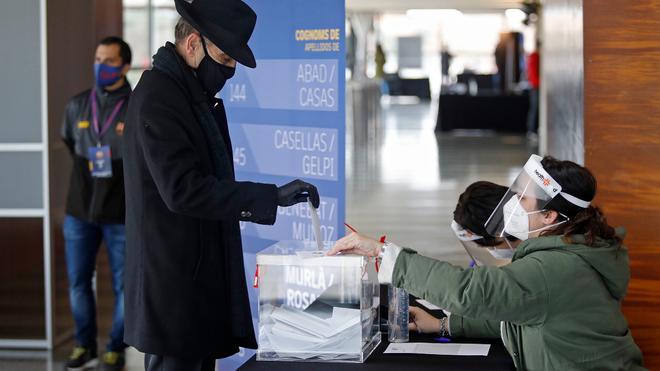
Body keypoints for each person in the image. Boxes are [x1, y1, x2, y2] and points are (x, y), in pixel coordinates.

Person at [122, 1, 320, 370]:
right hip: (173, 287)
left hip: (192, 281)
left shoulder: (186, 94)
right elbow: (183, 190)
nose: (229, 71)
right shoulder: (160, 98)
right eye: (225, 59)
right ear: (194, 43)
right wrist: (270, 196)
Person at [329, 155, 645, 370]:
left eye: (523, 199)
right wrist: (443, 324)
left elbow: (473, 291)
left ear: (549, 216)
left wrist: (384, 254)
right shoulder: (569, 252)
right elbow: (516, 314)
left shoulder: (556, 268)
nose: (512, 206)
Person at [60, 36, 132, 371]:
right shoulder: (77, 105)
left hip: (120, 213)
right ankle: (83, 345)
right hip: (80, 211)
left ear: (125, 66)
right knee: (78, 281)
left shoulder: (136, 106)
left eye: (109, 60)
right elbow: (69, 140)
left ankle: (115, 347)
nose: (100, 65)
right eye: (98, 58)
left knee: (123, 284)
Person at [526, 41, 540, 140]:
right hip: (535, 86)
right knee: (534, 108)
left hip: (534, 85)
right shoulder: (534, 56)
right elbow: (533, 72)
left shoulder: (532, 56)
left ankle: (532, 130)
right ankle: (532, 130)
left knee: (534, 108)